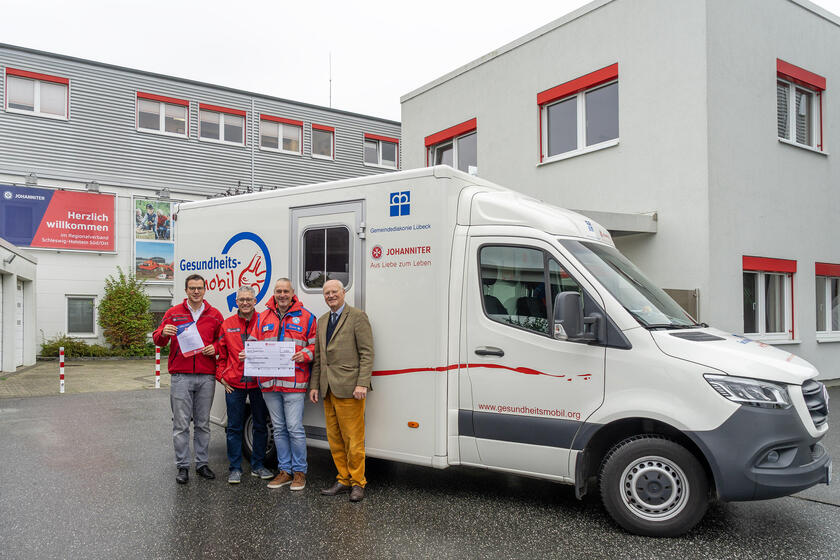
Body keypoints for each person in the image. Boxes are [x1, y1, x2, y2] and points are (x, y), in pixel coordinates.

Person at [153, 274, 223, 484]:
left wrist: (216, 348)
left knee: (202, 424)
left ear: (204, 289)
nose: (196, 291)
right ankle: (182, 466)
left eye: (199, 288)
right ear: (186, 290)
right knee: (181, 425)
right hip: (181, 376)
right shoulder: (173, 313)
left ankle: (201, 464)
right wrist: (163, 331)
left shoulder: (215, 315)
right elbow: (158, 340)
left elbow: (223, 341)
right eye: (192, 288)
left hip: (205, 377)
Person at [247, 278, 316, 491]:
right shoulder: (262, 318)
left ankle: (299, 473)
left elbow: (315, 347)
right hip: (269, 384)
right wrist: (248, 352)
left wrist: (303, 354)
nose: (282, 294)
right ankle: (284, 471)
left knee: (294, 428)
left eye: (286, 291)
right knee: (278, 429)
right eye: (279, 291)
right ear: (274, 294)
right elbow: (252, 342)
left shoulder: (307, 317)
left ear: (292, 293)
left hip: (295, 383)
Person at [309, 279, 374, 502]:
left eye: (334, 291)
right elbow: (319, 358)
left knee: (353, 439)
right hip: (327, 389)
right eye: (327, 293)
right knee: (334, 438)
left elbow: (367, 353)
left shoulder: (357, 317)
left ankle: (358, 483)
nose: (330, 296)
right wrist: (315, 386)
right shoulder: (323, 321)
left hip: (349, 388)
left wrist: (362, 383)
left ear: (343, 292)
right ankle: (343, 479)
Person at [216, 285, 273, 484]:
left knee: (260, 424)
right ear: (236, 302)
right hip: (234, 383)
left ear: (255, 301)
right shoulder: (227, 324)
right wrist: (221, 376)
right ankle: (235, 468)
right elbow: (221, 356)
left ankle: (258, 465)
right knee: (234, 427)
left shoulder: (265, 321)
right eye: (241, 299)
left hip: (259, 383)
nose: (245, 303)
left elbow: (273, 350)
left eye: (249, 299)